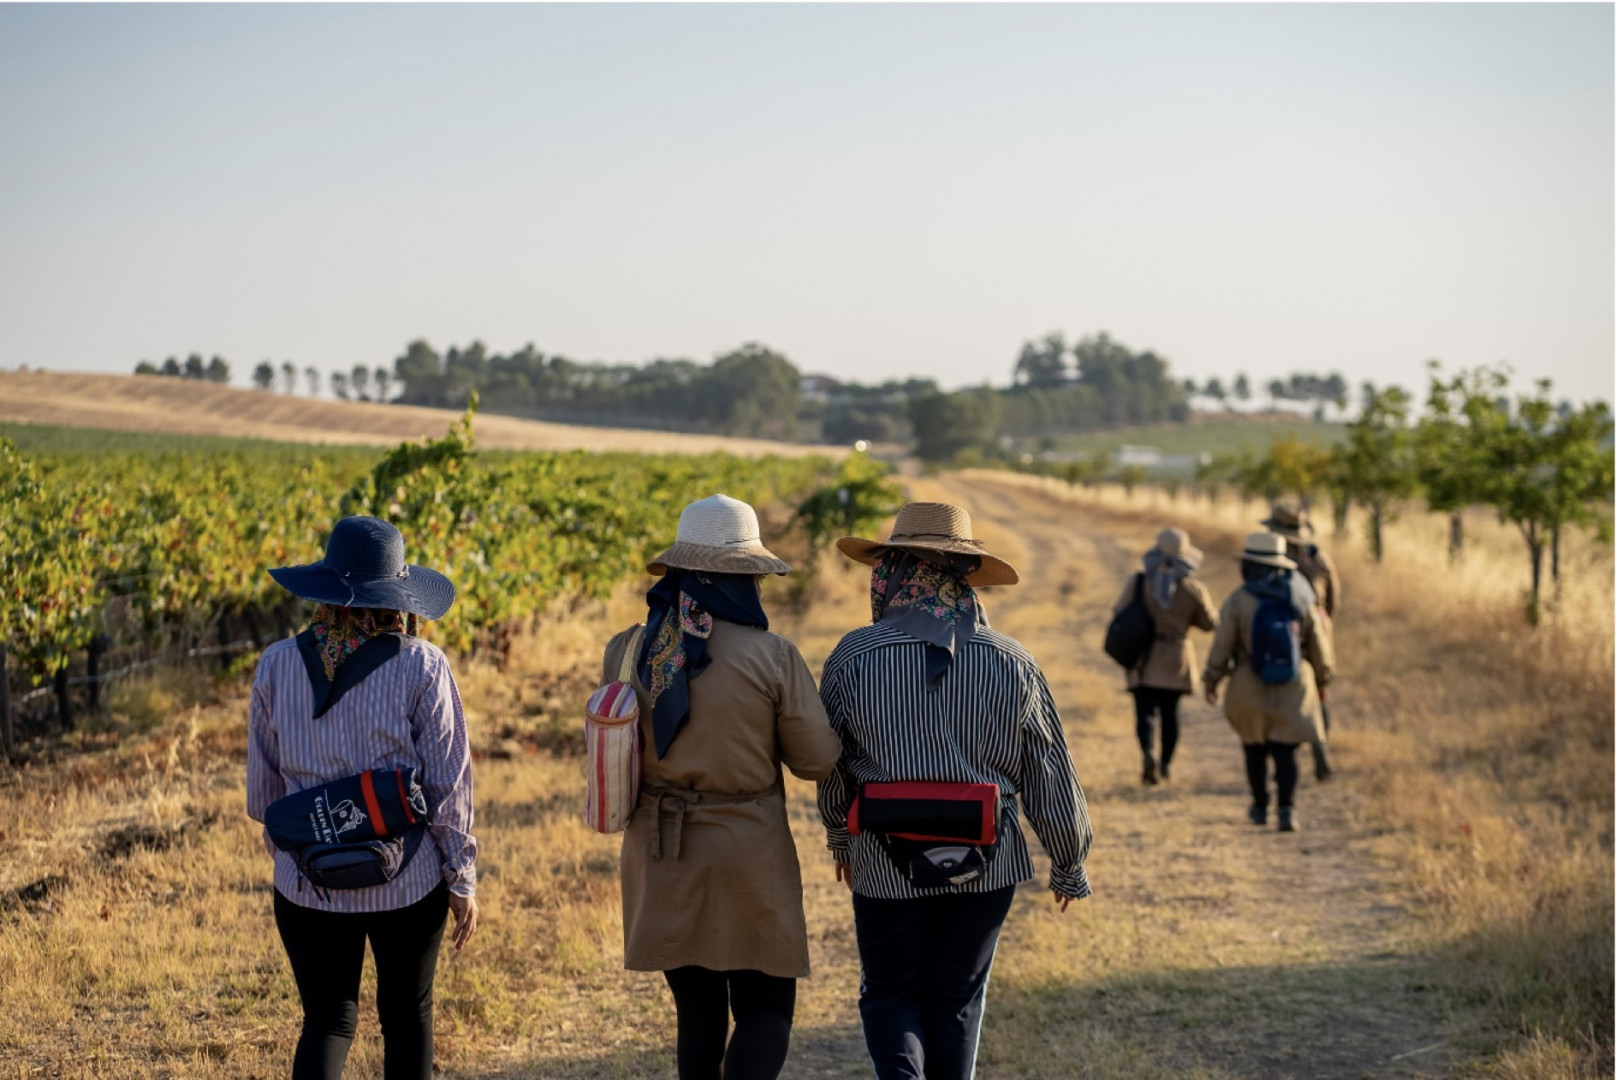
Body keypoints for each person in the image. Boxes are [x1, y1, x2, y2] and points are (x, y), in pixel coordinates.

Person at [817, 501, 1092, 1080]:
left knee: (890, 992)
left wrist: (840, 834)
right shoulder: (1012, 661)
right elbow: (1049, 770)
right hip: (987, 862)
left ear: (893, 571)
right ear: (962, 576)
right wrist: (1068, 861)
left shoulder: (854, 655)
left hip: (883, 858)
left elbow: (831, 762)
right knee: (957, 999)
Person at [600, 494, 841, 1080]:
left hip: (661, 853)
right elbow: (815, 761)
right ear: (747, 578)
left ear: (680, 571)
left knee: (697, 1015)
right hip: (747, 852)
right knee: (765, 1010)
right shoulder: (773, 657)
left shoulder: (628, 649)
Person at [247, 516, 478, 1080]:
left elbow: (263, 798)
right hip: (410, 880)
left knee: (327, 1023)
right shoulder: (423, 666)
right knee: (407, 1016)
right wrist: (462, 877)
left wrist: (313, 834)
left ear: (325, 588)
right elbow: (449, 785)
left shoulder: (276, 664)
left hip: (307, 879)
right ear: (396, 597)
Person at [1201, 533, 1335, 834]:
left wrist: (1212, 679)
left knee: (1254, 748)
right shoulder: (1302, 596)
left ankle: (1260, 806)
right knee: (1287, 751)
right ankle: (1287, 809)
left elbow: (1223, 645)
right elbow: (1318, 645)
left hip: (1249, 680)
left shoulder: (1239, 599)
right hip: (1294, 682)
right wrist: (1323, 679)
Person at [1110, 526, 1218, 785]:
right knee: (1171, 715)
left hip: (1144, 657)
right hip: (1177, 658)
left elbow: (1118, 611)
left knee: (1144, 713)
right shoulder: (1192, 587)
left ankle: (1148, 754)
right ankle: (1166, 765)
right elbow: (1209, 623)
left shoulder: (1139, 581)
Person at [1262, 501, 1339, 778]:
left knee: (1282, 692)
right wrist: (1320, 623)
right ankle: (1320, 745)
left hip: (1281, 633)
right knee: (1319, 692)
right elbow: (1332, 601)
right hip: (1317, 631)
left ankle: (1285, 757)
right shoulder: (1319, 558)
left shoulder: (1271, 559)